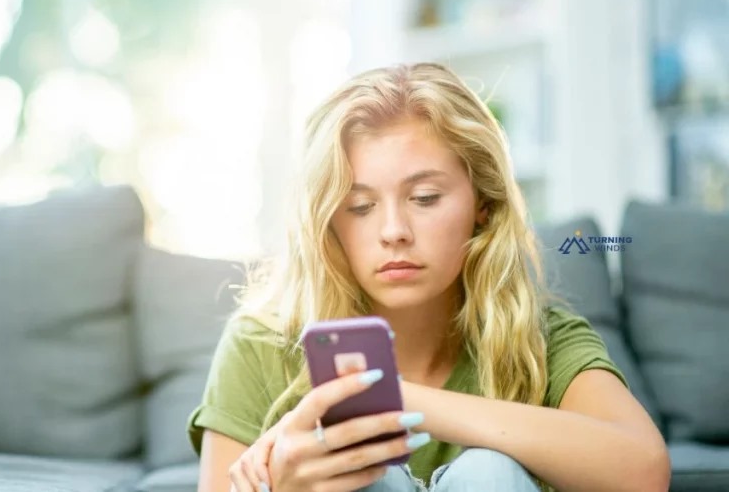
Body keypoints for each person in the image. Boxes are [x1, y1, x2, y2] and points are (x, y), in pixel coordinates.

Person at [187, 64, 670, 492]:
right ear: (329, 221)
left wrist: (396, 400)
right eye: (360, 207)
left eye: (424, 198)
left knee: (489, 474)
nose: (394, 232)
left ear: (483, 204)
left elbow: (644, 471)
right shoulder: (261, 341)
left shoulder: (540, 339)